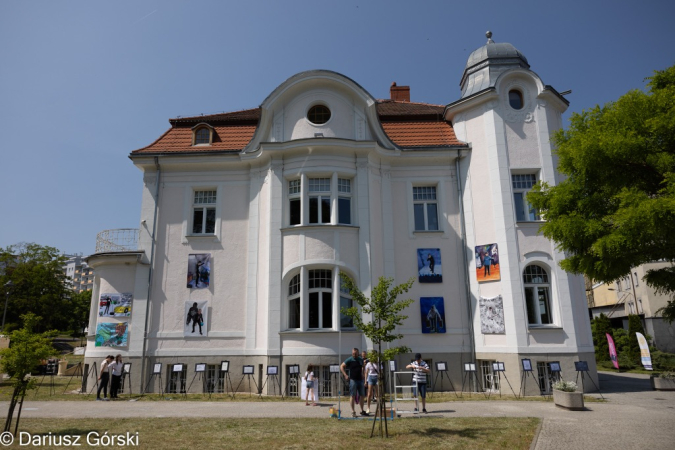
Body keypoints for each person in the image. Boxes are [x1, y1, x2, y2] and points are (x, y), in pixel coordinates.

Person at [341, 348, 368, 417]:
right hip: (353, 380)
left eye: (355, 354)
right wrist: (345, 375)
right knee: (352, 395)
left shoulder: (360, 360)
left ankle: (362, 410)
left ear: (358, 353)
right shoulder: (349, 359)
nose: (354, 355)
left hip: (360, 380)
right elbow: (341, 366)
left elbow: (363, 367)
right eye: (353, 354)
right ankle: (353, 411)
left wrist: (362, 374)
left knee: (362, 395)